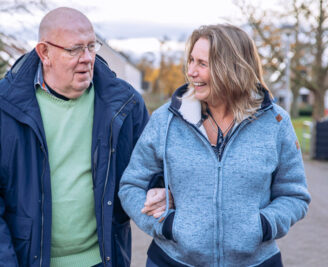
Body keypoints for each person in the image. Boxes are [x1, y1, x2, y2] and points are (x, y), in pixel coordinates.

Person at [0, 7, 171, 267]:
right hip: (29, 261)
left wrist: (162, 188)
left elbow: (153, 167)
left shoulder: (124, 103)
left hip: (103, 260)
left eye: (91, 46)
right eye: (74, 50)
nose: (87, 58)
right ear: (44, 53)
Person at [119, 24, 311, 267]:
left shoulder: (276, 122)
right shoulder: (165, 120)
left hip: (255, 262)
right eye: (190, 61)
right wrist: (167, 225)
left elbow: (294, 194)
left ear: (232, 68)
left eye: (202, 64)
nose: (191, 72)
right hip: (172, 261)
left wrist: (263, 225)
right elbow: (130, 185)